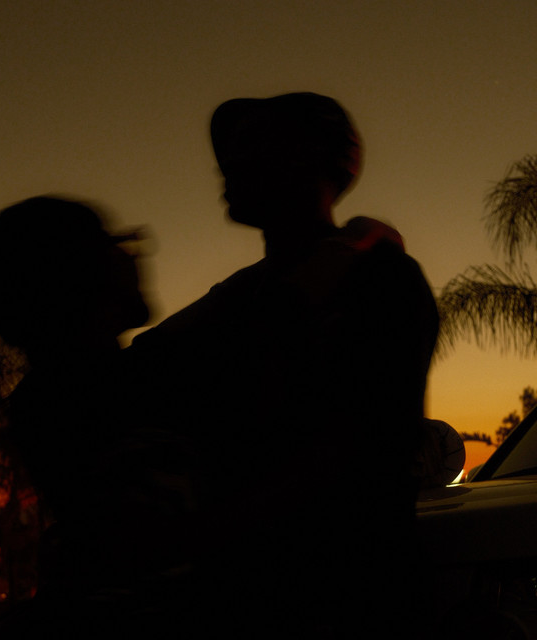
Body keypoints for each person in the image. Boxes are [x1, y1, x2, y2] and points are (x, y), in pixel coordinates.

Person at [131, 93, 439, 638]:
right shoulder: (245, 295)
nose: (228, 164)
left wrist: (199, 535)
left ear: (312, 159)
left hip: (346, 600)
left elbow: (366, 450)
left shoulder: (381, 281)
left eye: (253, 145)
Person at [0, 196, 195, 638]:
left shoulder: (61, 391)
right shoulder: (106, 394)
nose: (133, 255)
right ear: (82, 273)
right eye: (117, 244)